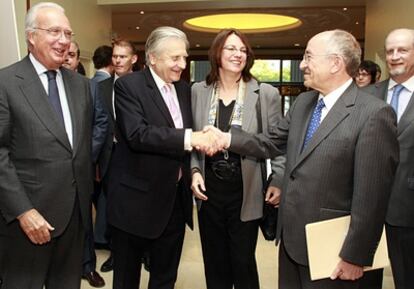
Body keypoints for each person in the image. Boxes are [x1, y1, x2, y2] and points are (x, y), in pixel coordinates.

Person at [206, 29, 399, 289]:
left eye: (308, 57)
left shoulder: (374, 114)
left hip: (335, 249)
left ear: (335, 63)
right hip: (293, 243)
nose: (302, 64)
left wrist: (356, 255)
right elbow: (270, 142)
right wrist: (226, 139)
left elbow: (372, 197)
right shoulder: (304, 103)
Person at [106, 26, 217, 289]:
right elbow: (137, 134)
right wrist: (191, 138)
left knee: (165, 278)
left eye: (184, 57)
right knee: (126, 280)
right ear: (153, 58)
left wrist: (193, 172)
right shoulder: (128, 86)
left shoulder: (183, 90)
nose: (182, 64)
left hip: (174, 203)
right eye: (175, 58)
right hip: (134, 202)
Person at [0, 2, 94, 289]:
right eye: (54, 31)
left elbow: (79, 149)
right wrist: (23, 211)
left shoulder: (81, 86)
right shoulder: (6, 82)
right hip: (27, 222)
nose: (64, 40)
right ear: (31, 36)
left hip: (74, 220)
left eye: (67, 33)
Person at [190, 28, 284, 289]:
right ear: (217, 53)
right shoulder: (198, 91)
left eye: (242, 50)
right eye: (231, 48)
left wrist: (277, 178)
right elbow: (192, 138)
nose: (238, 54)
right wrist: (194, 172)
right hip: (209, 189)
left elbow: (277, 144)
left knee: (243, 261)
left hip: (247, 187)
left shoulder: (264, 94)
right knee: (214, 261)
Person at [363, 28, 414, 289]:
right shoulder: (367, 95)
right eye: (390, 50)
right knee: (362, 278)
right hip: (364, 207)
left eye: (402, 50)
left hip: (408, 208)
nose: (394, 56)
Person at [63, 40, 108, 287]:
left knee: (84, 220)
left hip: (82, 168)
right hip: (51, 172)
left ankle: (87, 266)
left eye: (72, 55)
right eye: (64, 54)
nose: (67, 58)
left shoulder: (89, 88)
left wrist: (87, 156)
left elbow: (101, 122)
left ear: (78, 59)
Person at [95, 39, 138, 273]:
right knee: (113, 207)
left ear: (134, 59)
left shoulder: (144, 85)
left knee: (140, 205)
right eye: (115, 56)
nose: (118, 60)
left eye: (123, 56)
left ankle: (145, 253)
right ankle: (116, 253)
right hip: (112, 156)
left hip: (139, 155)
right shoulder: (101, 88)